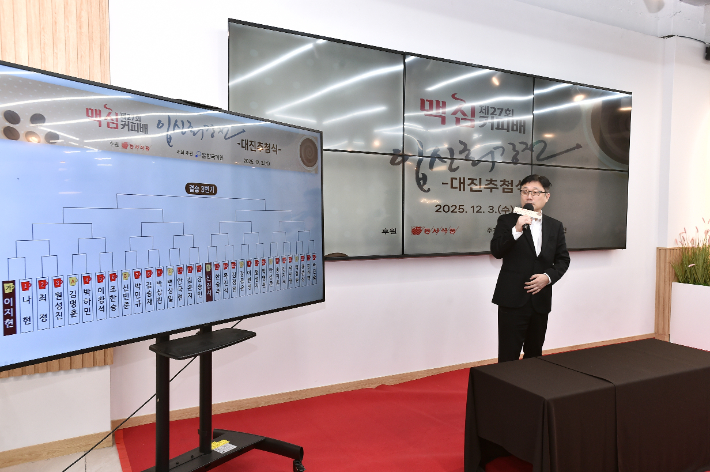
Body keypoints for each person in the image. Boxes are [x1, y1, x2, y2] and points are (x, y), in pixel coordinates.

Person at [490, 174, 570, 362]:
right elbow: (496, 251)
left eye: (535, 192)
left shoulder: (555, 226)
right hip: (512, 299)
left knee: (535, 354)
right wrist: (516, 229)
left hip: (540, 299)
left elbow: (563, 260)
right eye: (525, 191)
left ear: (546, 196)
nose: (529, 196)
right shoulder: (507, 221)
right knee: (508, 355)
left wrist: (547, 277)